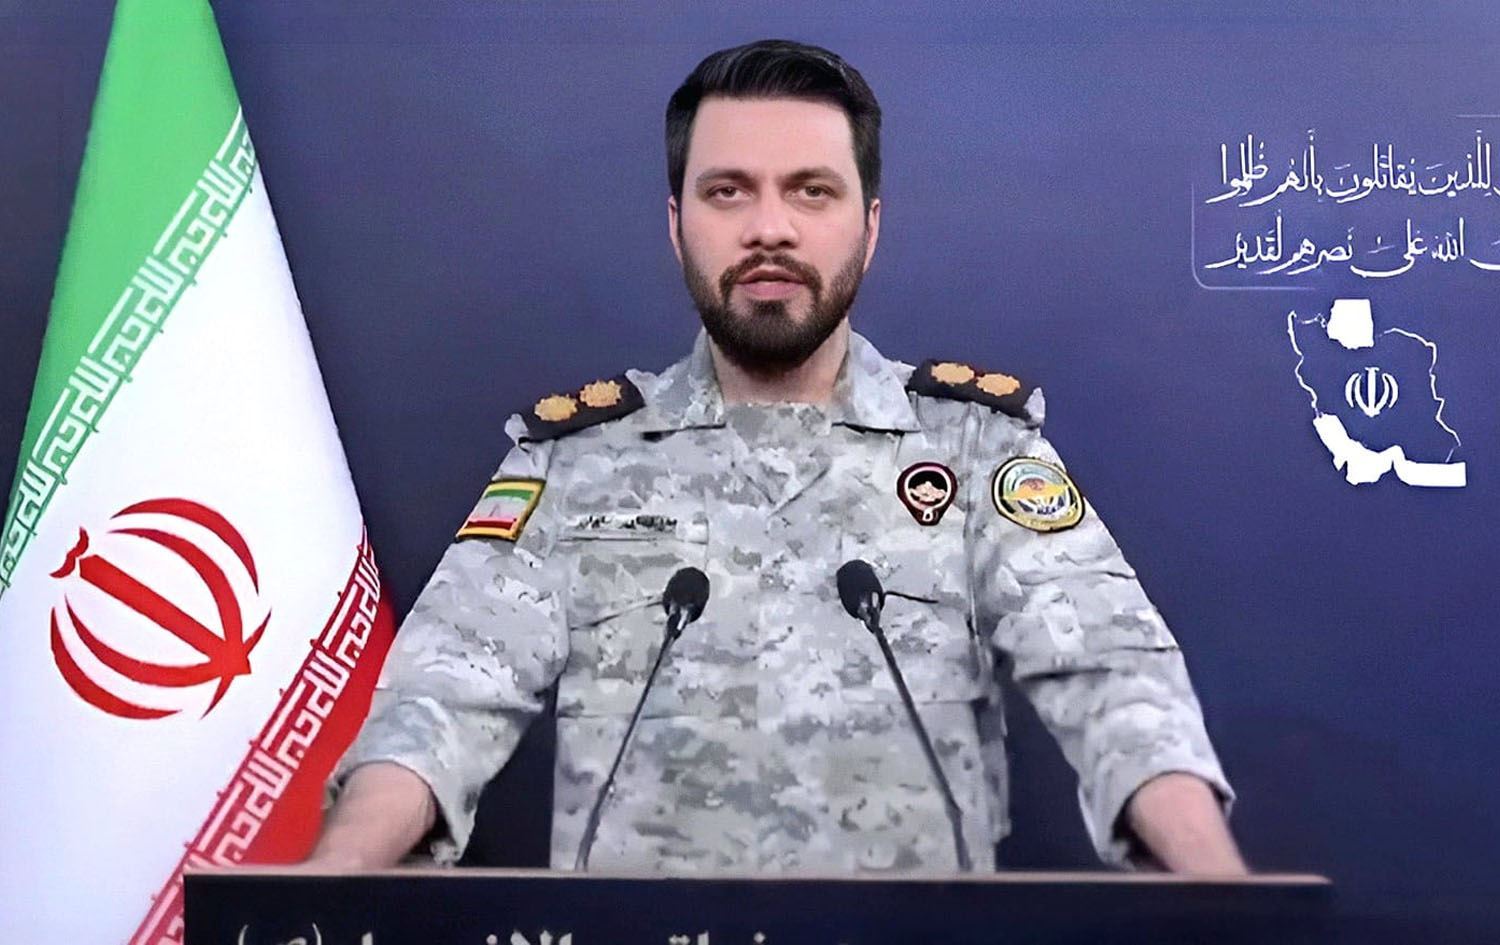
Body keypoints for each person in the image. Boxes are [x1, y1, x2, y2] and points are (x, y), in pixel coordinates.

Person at [311, 39, 1245, 875]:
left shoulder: (975, 447)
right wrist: (335, 876)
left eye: (811, 191)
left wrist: (1220, 889)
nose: (770, 227)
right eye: (728, 191)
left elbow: (1114, 675)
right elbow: (444, 694)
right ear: (676, 223)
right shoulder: (576, 460)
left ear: (869, 228)